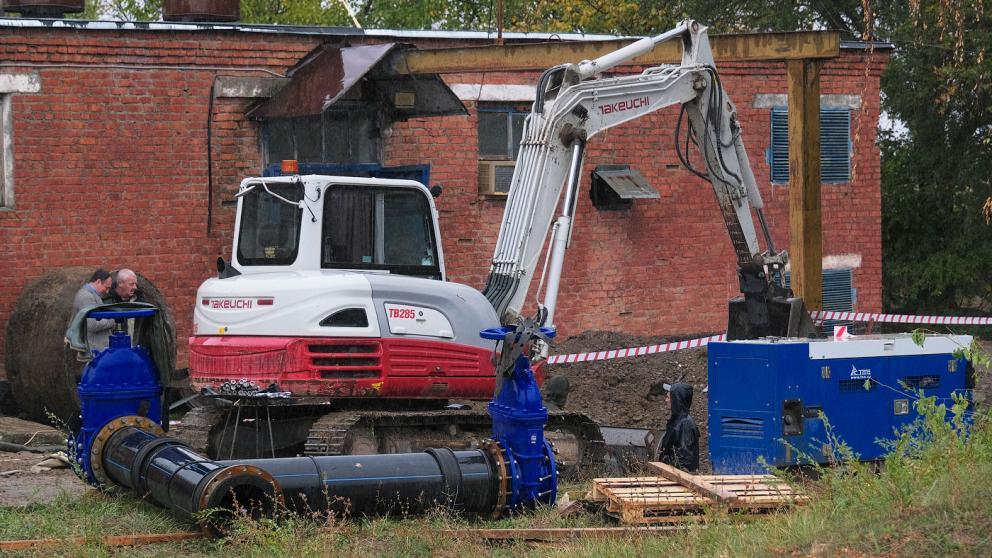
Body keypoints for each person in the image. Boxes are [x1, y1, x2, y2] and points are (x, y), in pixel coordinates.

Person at [657, 383, 700, 472]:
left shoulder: (685, 424)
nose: (666, 400)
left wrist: (665, 463)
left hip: (678, 478)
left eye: (668, 397)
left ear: (676, 400)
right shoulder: (677, 420)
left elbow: (685, 462)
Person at [71, 268, 115, 353]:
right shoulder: (87, 297)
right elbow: (93, 325)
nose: (107, 291)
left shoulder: (89, 294)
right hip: (94, 349)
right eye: (106, 287)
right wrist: (112, 321)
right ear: (98, 282)